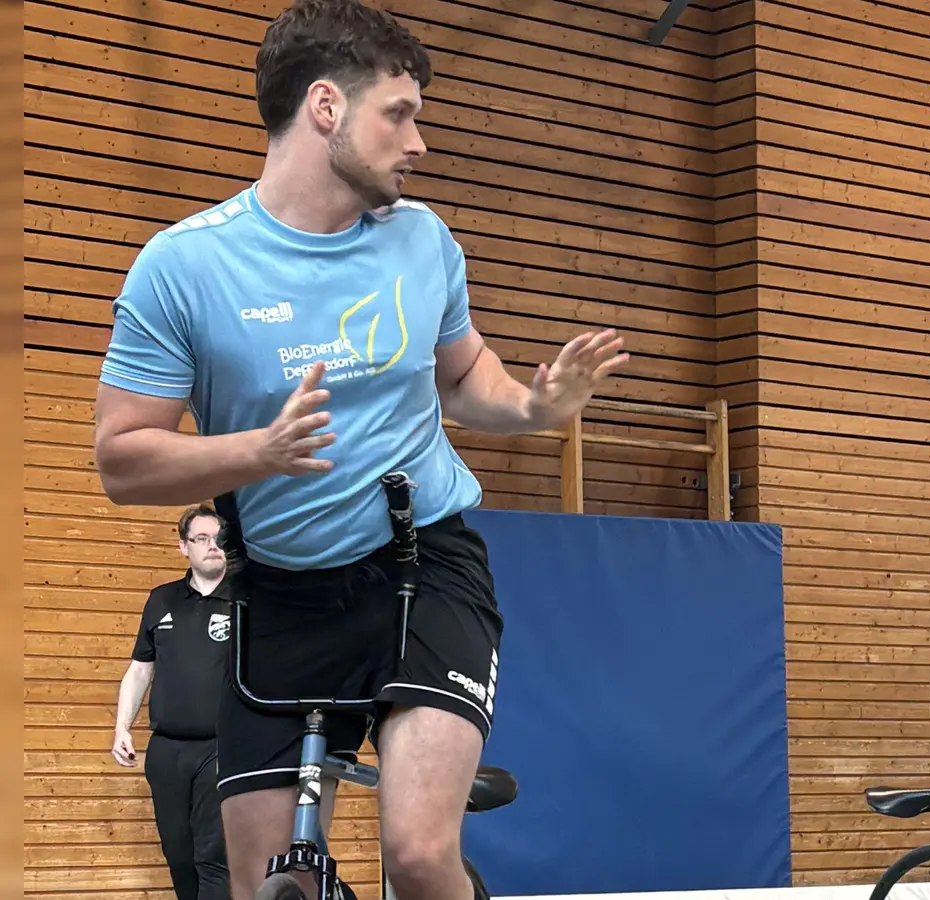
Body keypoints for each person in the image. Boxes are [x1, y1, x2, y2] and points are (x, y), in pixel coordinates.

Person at [90, 0, 630, 896]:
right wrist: (255, 454)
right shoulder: (183, 266)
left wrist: (536, 404)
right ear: (327, 108)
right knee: (265, 879)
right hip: (281, 591)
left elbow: (465, 381)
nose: (418, 142)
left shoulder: (423, 241)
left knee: (418, 853)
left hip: (421, 570)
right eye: (401, 113)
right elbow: (121, 458)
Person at [113, 504, 232, 900]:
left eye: (219, 538)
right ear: (184, 547)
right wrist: (121, 728)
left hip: (222, 747)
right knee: (178, 854)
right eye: (201, 539)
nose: (212, 546)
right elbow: (139, 671)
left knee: (213, 855)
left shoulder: (245, 602)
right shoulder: (161, 600)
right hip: (166, 750)